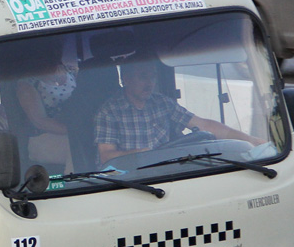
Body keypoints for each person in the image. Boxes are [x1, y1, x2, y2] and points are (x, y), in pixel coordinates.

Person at [95, 57, 263, 164]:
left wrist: (250, 140)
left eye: (152, 76)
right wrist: (143, 155)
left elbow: (204, 125)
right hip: (133, 178)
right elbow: (106, 156)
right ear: (126, 79)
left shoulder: (161, 103)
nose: (150, 83)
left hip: (170, 170)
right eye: (143, 77)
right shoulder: (109, 112)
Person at [13, 38, 77, 171]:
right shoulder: (27, 83)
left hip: (74, 128)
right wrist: (75, 131)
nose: (55, 54)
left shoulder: (71, 71)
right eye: (50, 51)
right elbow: (39, 121)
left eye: (58, 49)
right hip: (43, 139)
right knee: (78, 146)